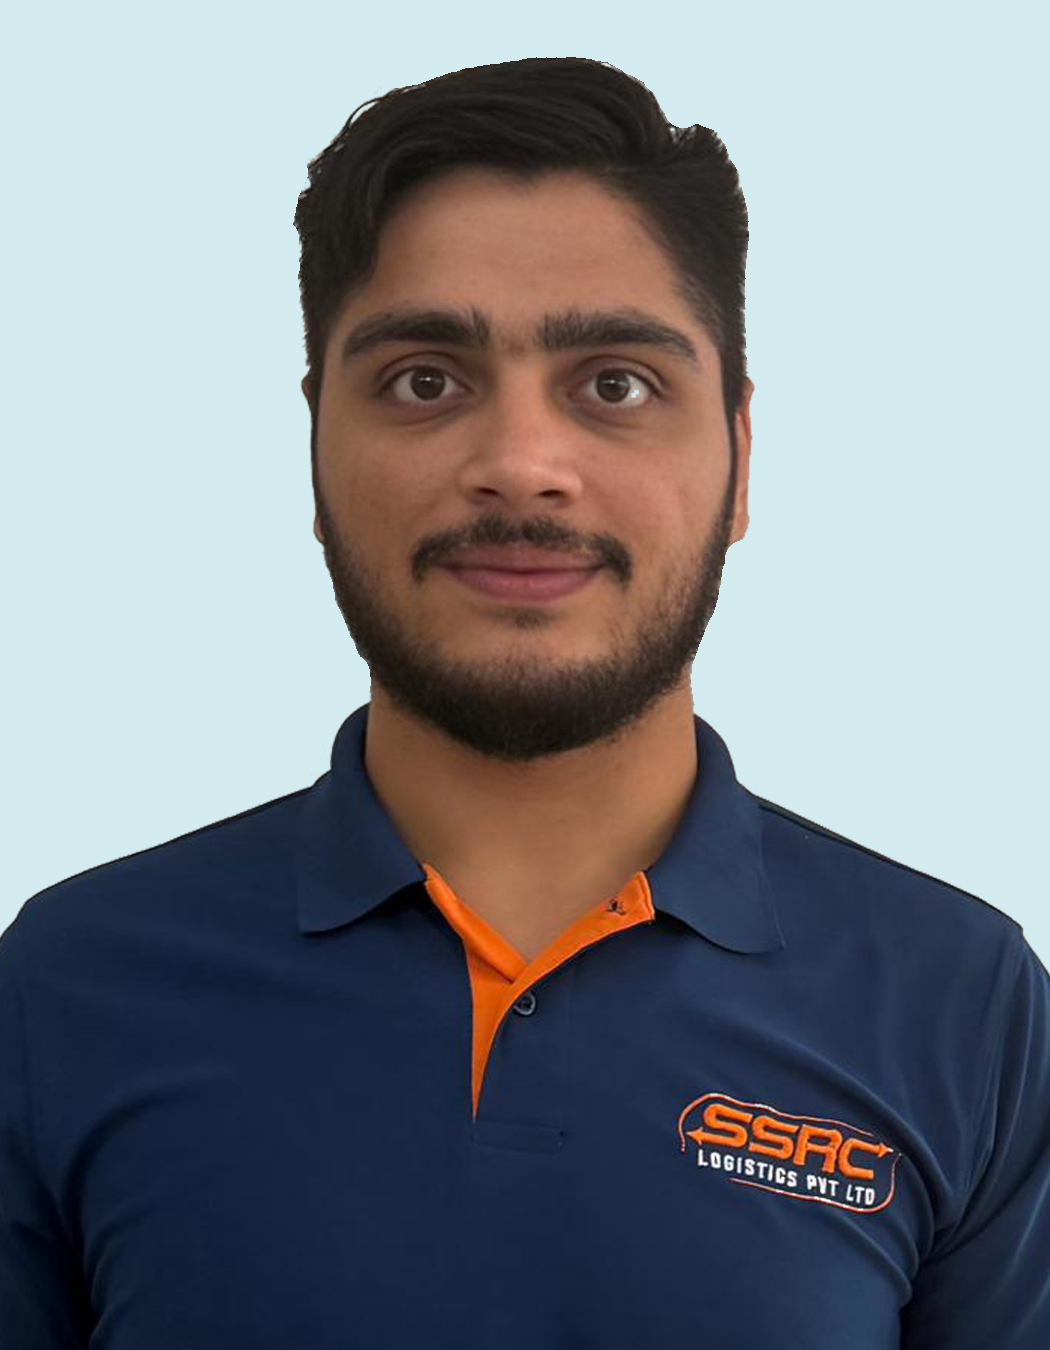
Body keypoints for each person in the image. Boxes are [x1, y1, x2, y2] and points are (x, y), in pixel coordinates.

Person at [1, 57, 1047, 1350]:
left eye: (615, 382)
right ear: (315, 446)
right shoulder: (65, 986)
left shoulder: (965, 1003)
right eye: (424, 380)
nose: (519, 465)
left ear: (739, 458)